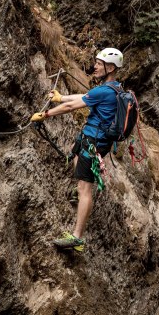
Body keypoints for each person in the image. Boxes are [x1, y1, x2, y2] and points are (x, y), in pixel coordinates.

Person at [30, 47, 124, 252]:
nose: (95, 67)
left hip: (93, 142)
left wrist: (46, 114)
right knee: (78, 168)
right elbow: (85, 97)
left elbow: (72, 107)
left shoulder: (104, 91)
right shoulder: (115, 89)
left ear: (110, 67)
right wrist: (60, 97)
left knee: (85, 190)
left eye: (99, 64)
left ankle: (77, 238)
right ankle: (80, 194)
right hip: (95, 142)